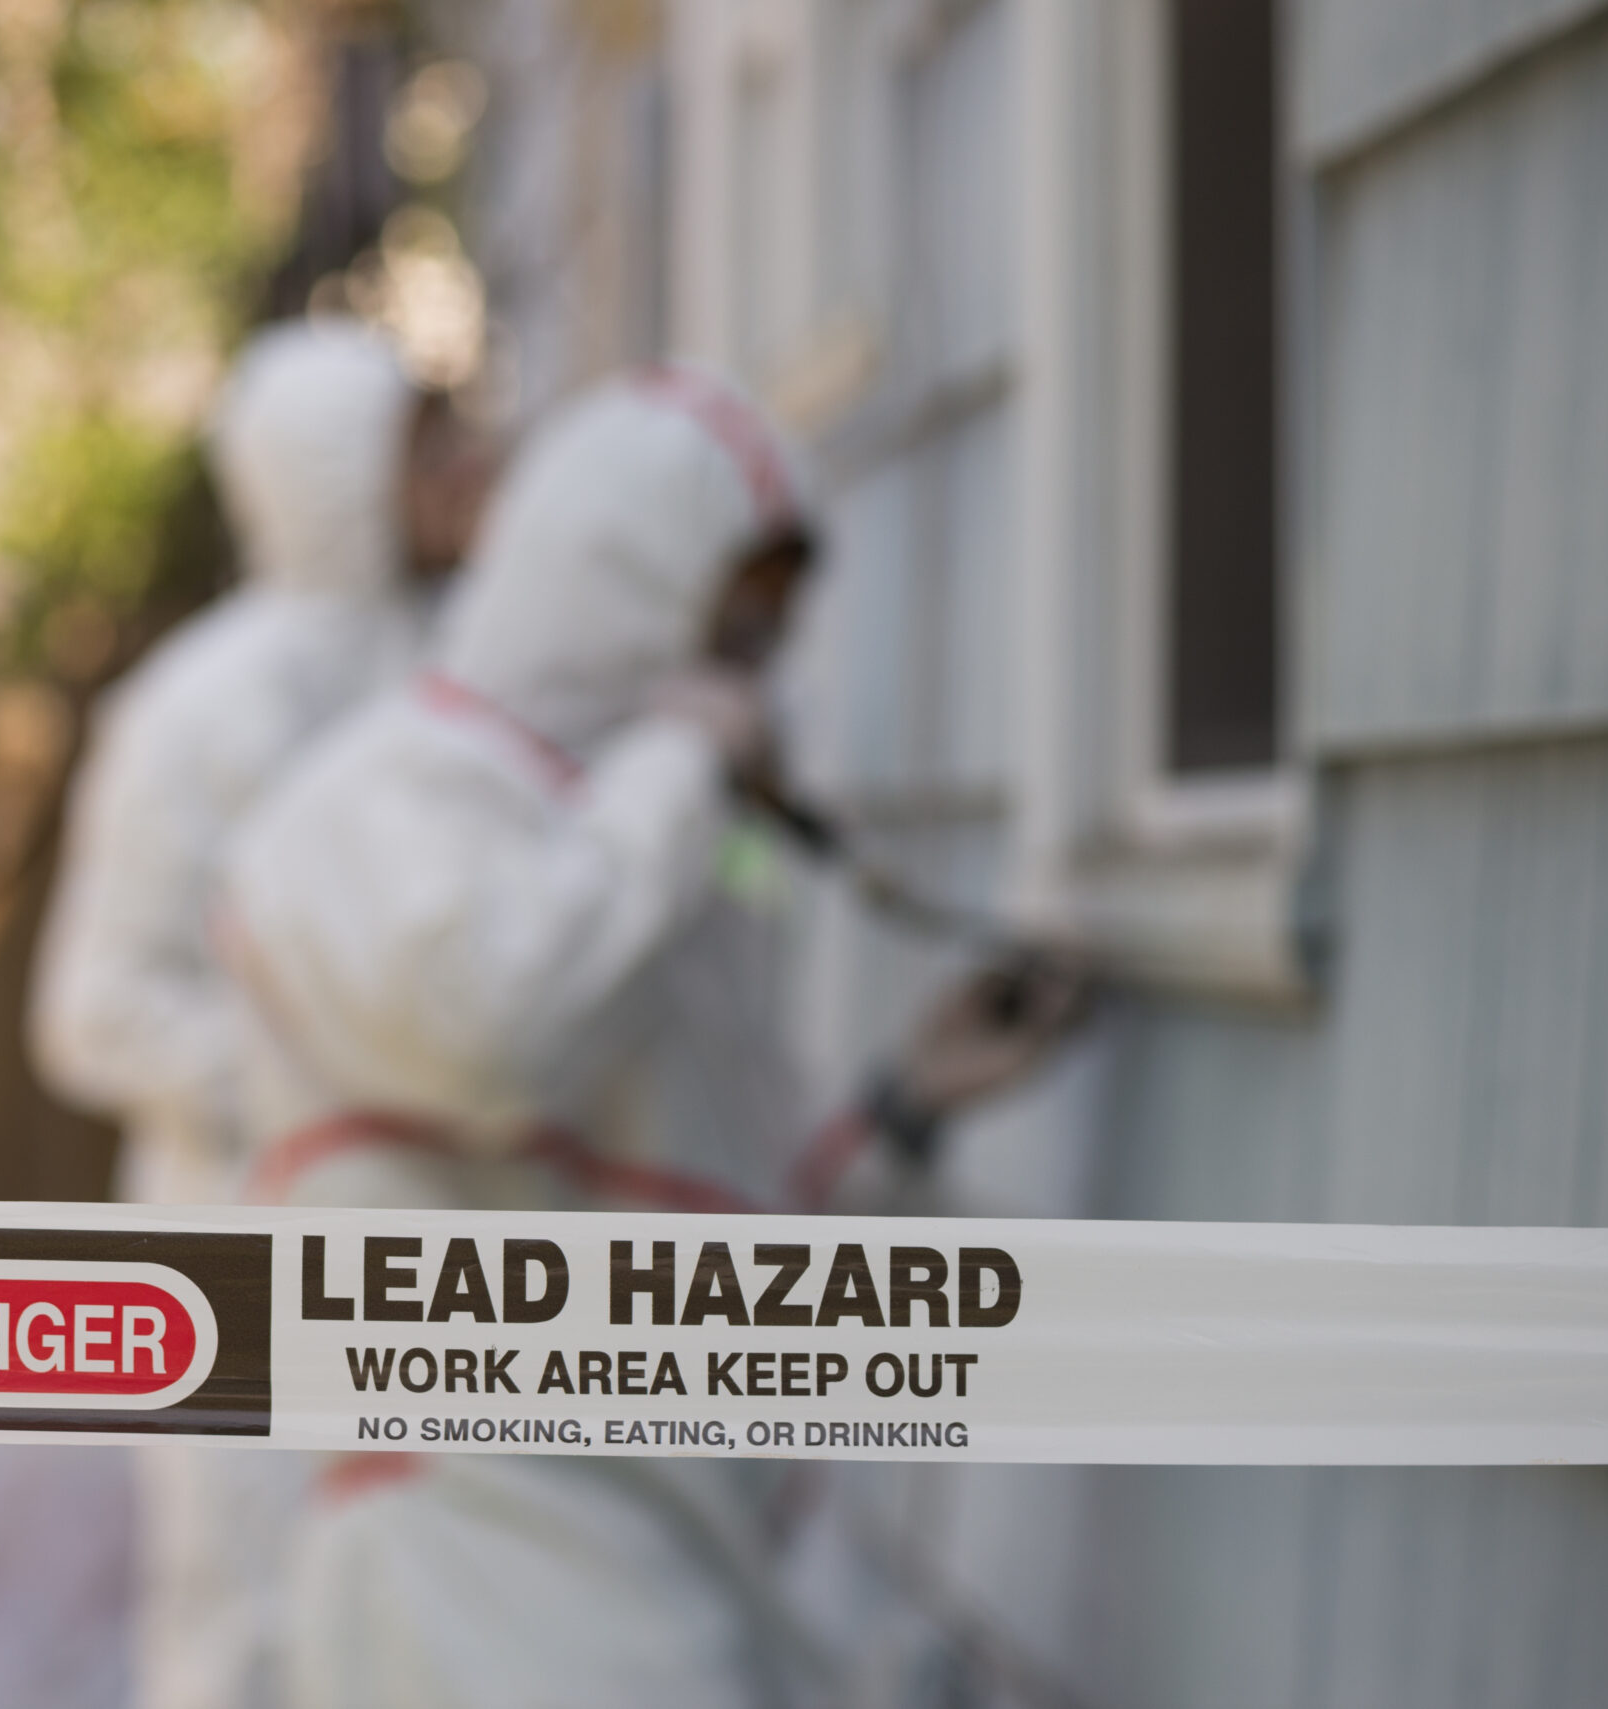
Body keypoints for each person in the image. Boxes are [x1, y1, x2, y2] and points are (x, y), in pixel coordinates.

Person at [215, 365, 1086, 1709]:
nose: (750, 679)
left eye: (764, 643)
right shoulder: (376, 803)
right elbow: (489, 1041)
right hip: (476, 1574)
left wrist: (898, 1111)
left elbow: (705, 1245)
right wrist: (682, 763)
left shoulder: (642, 855)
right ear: (617, 580)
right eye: (728, 632)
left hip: (679, 1567)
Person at [25, 317, 496, 1709]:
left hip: (428, 1279)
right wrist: (329, 1078)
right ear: (335, 473)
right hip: (235, 1271)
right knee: (249, 1636)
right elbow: (92, 1011)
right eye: (427, 448)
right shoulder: (199, 711)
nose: (465, 472)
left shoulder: (460, 683)